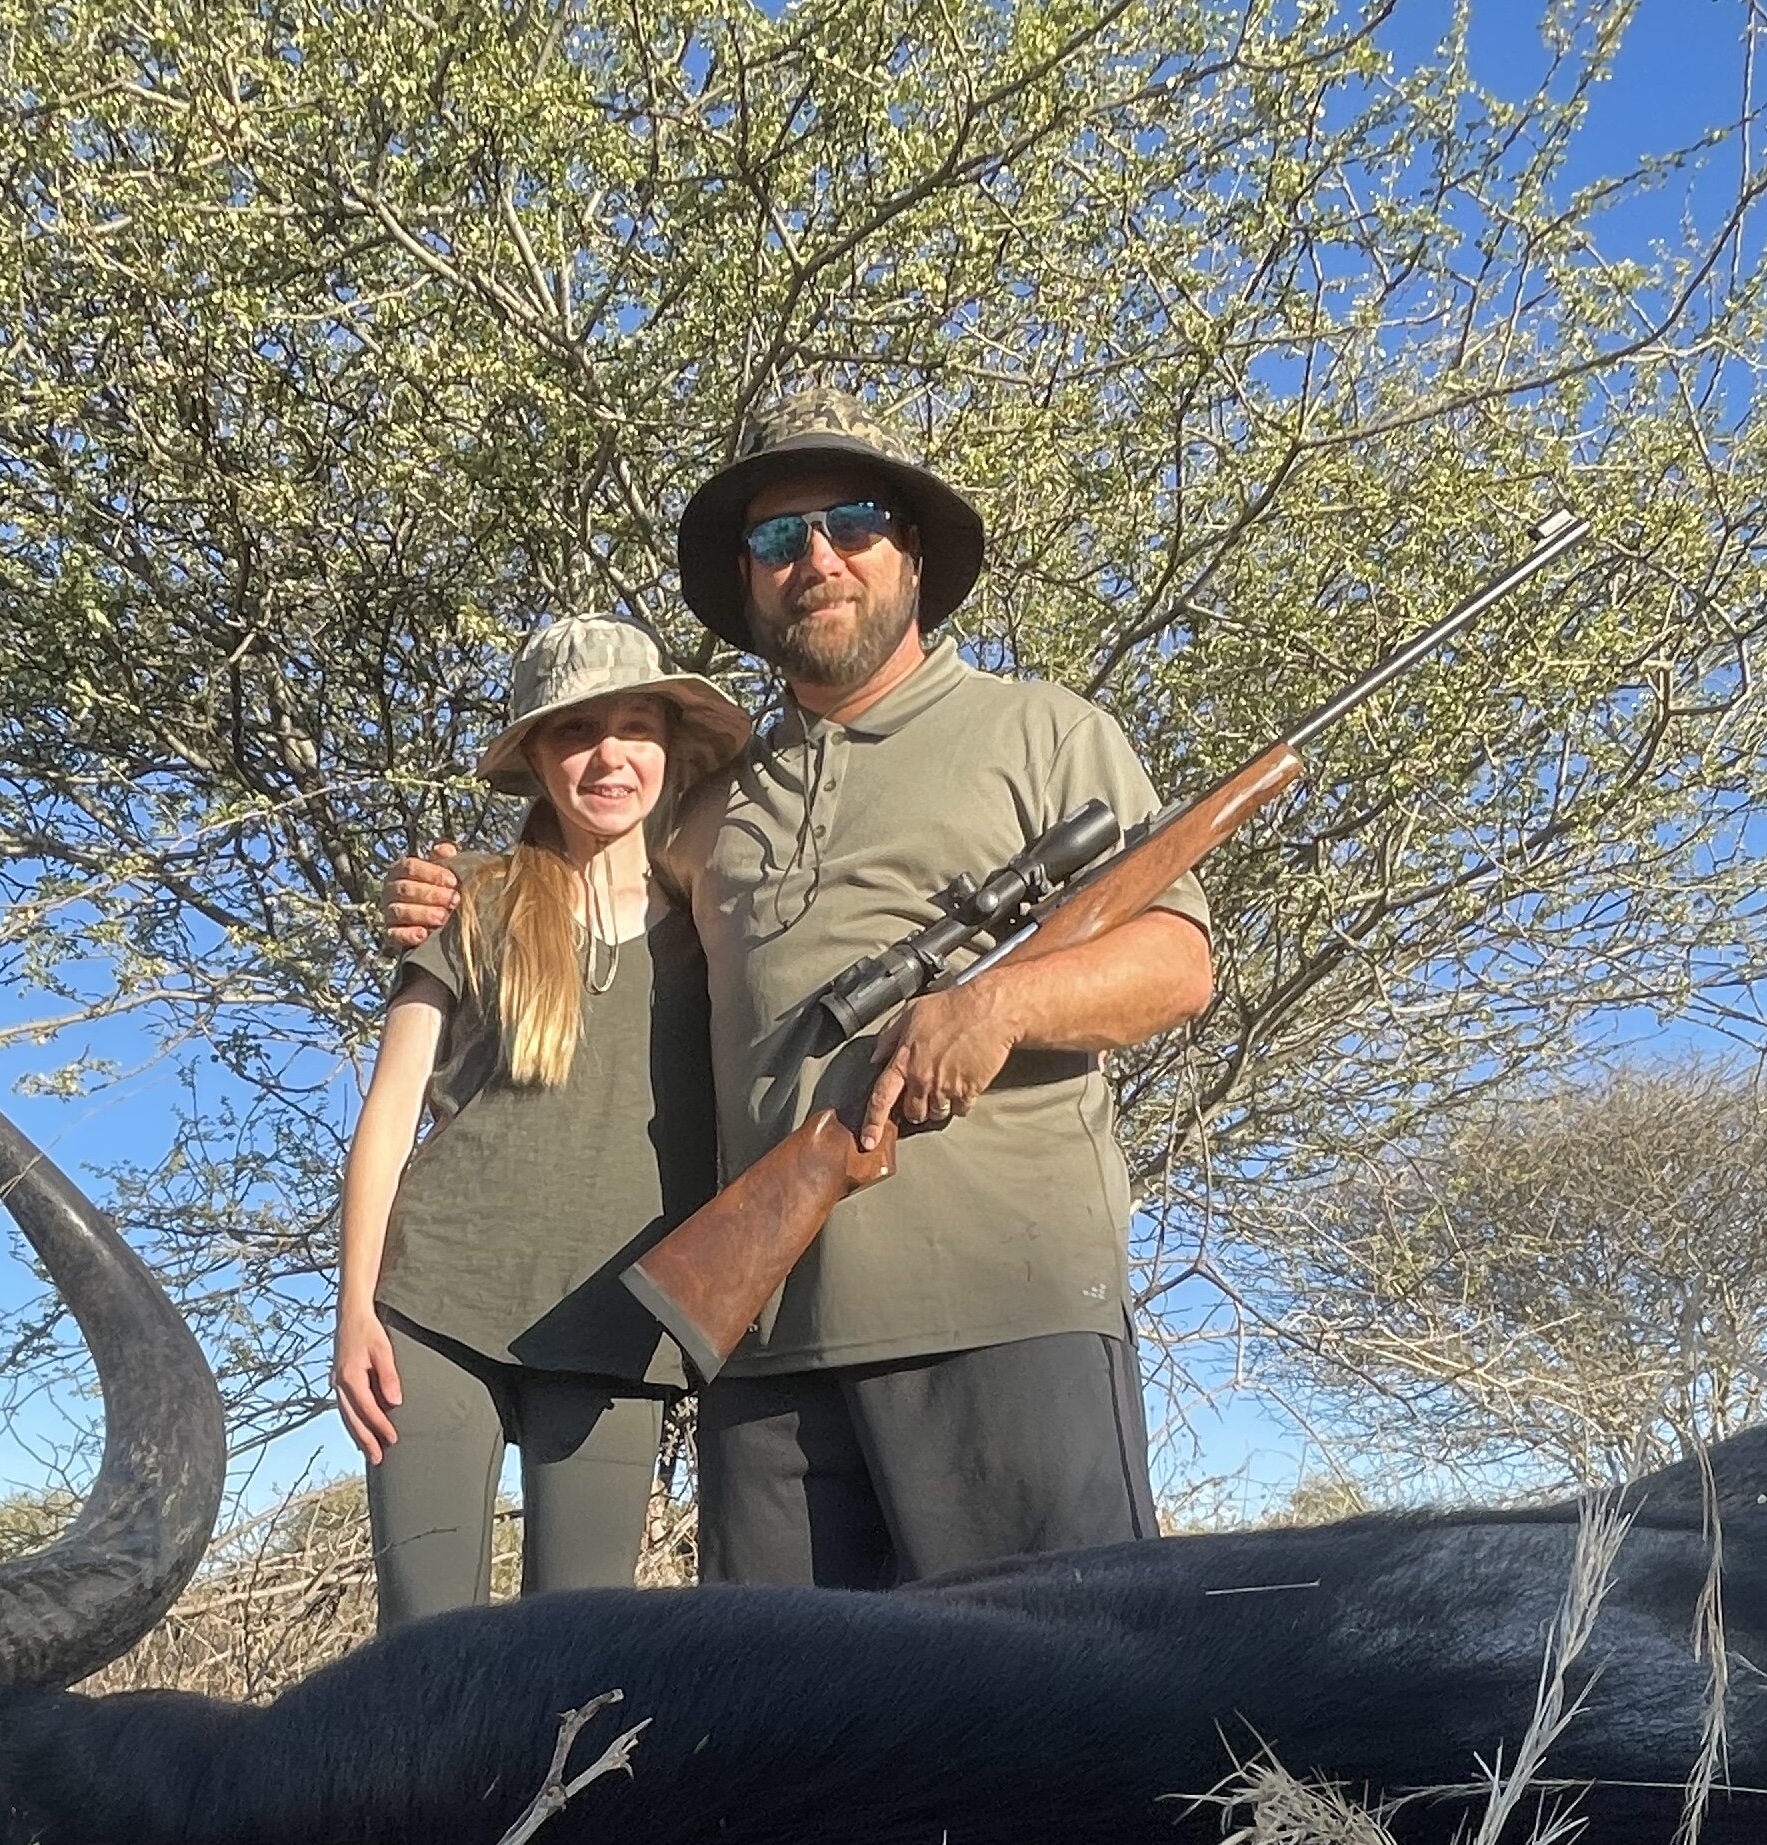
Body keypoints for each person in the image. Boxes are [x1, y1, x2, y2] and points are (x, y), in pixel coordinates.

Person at [389, 393, 1214, 1589]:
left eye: (855, 523)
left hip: (1004, 1309)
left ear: (912, 553)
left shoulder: (1047, 731)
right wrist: (451, 885)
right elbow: (576, 860)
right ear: (749, 580)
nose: (817, 561)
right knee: (791, 1762)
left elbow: (1177, 964)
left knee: (1057, 1724)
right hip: (763, 1351)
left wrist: (1000, 1007)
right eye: (780, 540)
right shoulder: (709, 801)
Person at [336, 616, 749, 1627]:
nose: (608, 756)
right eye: (575, 733)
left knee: (580, 1650)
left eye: (634, 727)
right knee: (426, 1646)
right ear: (535, 758)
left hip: (620, 1324)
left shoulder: (721, 919)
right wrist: (354, 1310)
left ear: (670, 748)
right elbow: (390, 1110)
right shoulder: (472, 896)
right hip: (435, 1312)